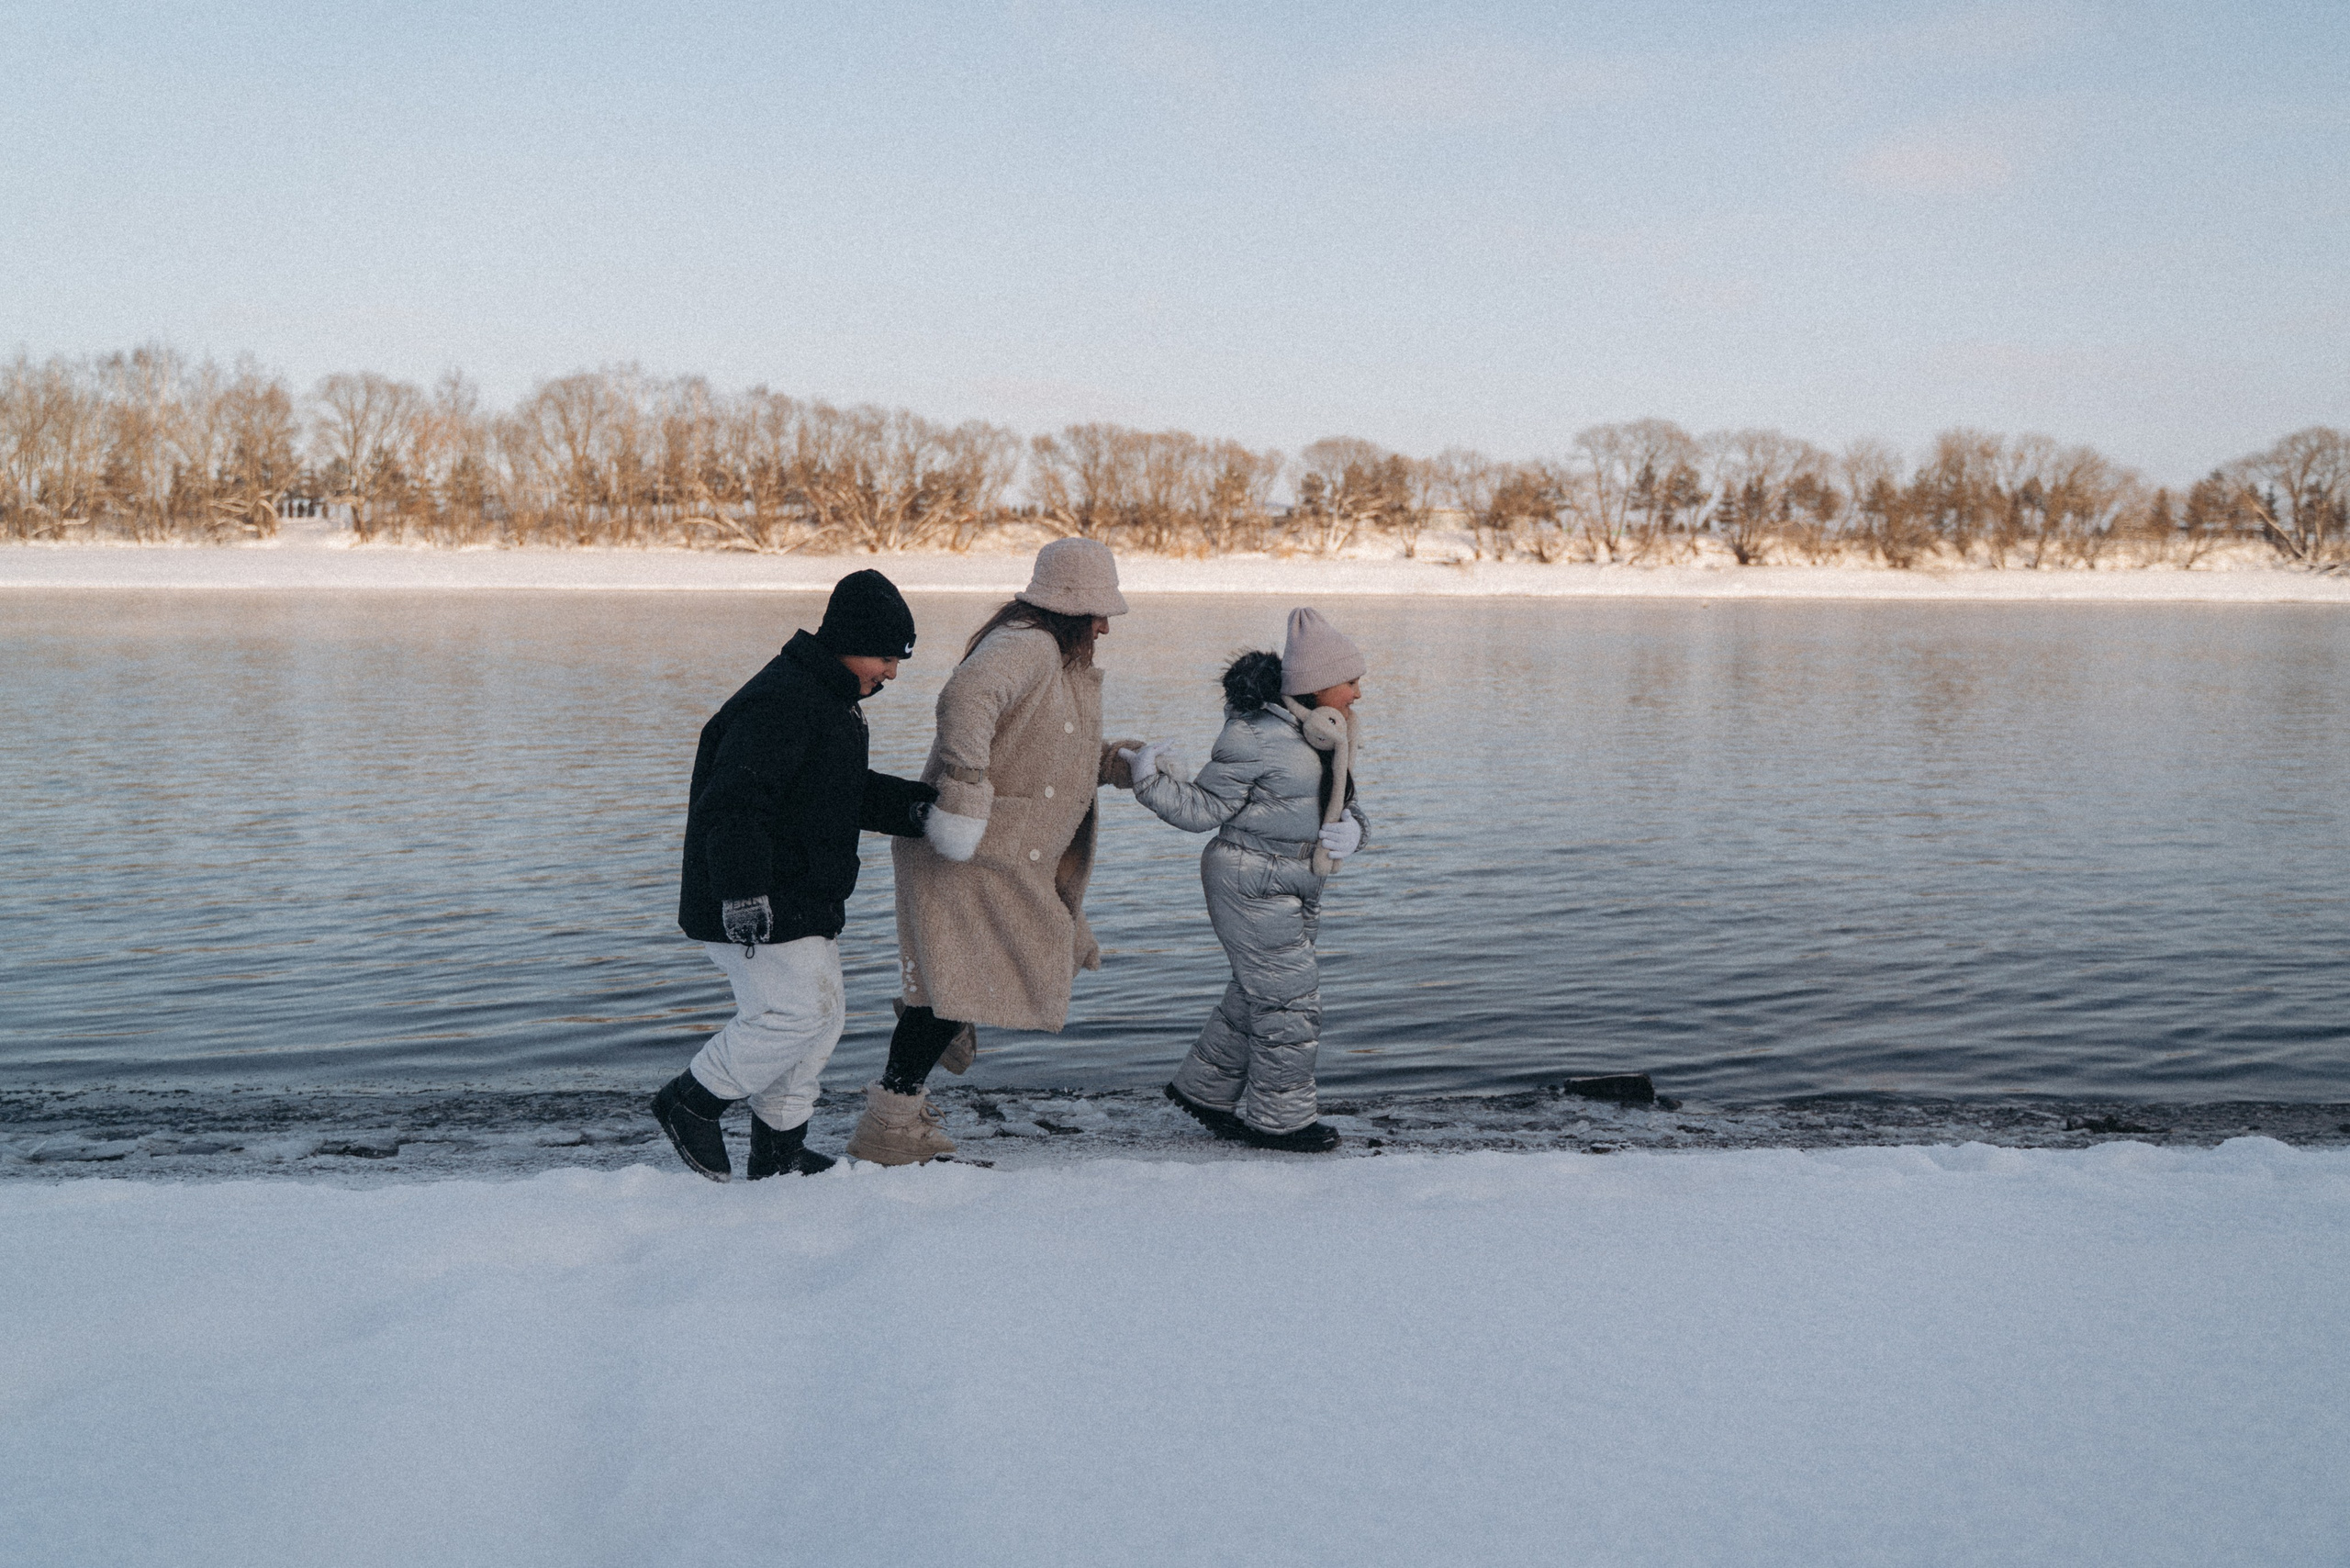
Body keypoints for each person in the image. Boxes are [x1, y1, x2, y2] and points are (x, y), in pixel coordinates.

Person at [850, 538, 1144, 1165]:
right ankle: (890, 1127)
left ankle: (929, 1043)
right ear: (1071, 609)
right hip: (970, 852)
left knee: (968, 982)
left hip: (996, 855)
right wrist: (963, 790)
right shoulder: (1027, 645)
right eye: (1098, 612)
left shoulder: (1056, 661)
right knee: (955, 991)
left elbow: (1051, 758)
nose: (1104, 627)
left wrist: (1121, 764)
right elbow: (965, 701)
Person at [651, 570, 938, 1182]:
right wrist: (744, 895)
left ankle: (778, 1148)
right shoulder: (782, 702)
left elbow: (834, 794)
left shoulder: (828, 700)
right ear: (849, 642)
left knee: (821, 1015)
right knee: (791, 1015)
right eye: (885, 656)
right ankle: (691, 1101)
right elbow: (734, 805)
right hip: (755, 898)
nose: (891, 672)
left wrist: (917, 808)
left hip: (798, 897)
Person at [1124, 607, 1370, 1152]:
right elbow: (1203, 808)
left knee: (1257, 992)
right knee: (1290, 1003)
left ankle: (1203, 1091)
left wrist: (1354, 831)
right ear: (1317, 684)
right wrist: (1147, 780)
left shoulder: (1328, 735)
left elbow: (1341, 807)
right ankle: (1279, 1122)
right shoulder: (1254, 734)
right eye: (1350, 682)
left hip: (1297, 880)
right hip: (1249, 879)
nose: (1357, 694)